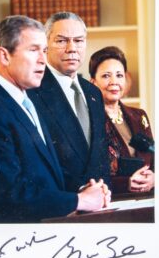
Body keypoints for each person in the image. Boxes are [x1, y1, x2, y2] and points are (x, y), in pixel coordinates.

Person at [0, 15, 110, 223]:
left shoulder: (24, 102)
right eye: (33, 50)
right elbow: (9, 196)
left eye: (44, 51)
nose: (42, 60)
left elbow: (44, 177)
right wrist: (78, 201)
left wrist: (84, 191)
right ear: (4, 55)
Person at [28, 11, 111, 194]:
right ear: (46, 45)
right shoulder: (32, 92)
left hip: (100, 204)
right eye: (61, 41)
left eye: (79, 40)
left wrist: (103, 191)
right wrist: (82, 191)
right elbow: (36, 160)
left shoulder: (93, 92)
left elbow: (100, 154)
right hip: (61, 203)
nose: (72, 48)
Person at [89, 46, 155, 194]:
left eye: (119, 75)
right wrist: (126, 183)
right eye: (106, 76)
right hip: (114, 200)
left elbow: (155, 157)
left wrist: (155, 178)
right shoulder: (89, 120)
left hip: (148, 197)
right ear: (93, 83)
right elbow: (91, 174)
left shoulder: (139, 116)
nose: (114, 82)